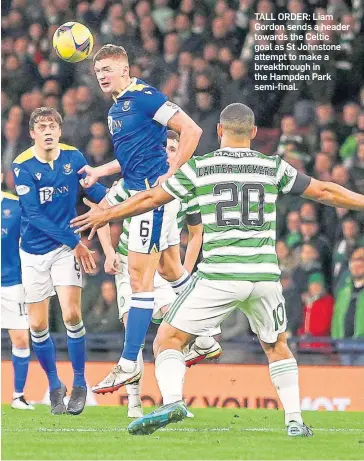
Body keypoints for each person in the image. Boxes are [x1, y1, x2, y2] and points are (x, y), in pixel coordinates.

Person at [72, 103, 364, 436]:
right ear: (254, 133)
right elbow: (324, 191)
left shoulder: (201, 167)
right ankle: (294, 420)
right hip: (264, 276)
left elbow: (151, 198)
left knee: (167, 339)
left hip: (219, 275)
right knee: (277, 345)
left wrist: (107, 215)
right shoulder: (272, 166)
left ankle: (172, 401)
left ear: (219, 131)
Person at [78, 44, 202, 389]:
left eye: (107, 69)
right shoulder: (117, 108)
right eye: (97, 70)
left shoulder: (145, 96)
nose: (101, 75)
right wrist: (98, 171)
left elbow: (192, 130)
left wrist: (173, 171)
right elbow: (131, 159)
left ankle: (129, 361)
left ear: (125, 69)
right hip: (135, 187)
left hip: (152, 196)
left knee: (138, 278)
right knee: (167, 268)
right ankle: (206, 335)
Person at [91, 130, 221, 418]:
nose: (170, 153)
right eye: (167, 148)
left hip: (160, 266)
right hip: (130, 263)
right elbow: (102, 214)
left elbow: (196, 235)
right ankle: (134, 405)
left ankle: (174, 396)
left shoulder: (184, 189)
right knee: (132, 327)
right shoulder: (139, 182)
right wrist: (110, 253)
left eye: (175, 148)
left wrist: (184, 273)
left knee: (169, 334)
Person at [11, 107, 106, 415]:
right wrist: (76, 242)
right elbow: (34, 215)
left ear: (60, 131)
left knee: (72, 314)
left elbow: (96, 190)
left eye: (52, 125)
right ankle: (55, 385)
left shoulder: (74, 158)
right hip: (35, 251)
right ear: (33, 134)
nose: (48, 130)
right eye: (42, 126)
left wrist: (124, 198)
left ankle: (79, 383)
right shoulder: (22, 165)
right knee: (37, 325)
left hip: (66, 250)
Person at [1, 187, 34, 410]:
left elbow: (30, 239)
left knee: (21, 339)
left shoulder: (16, 206)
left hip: (11, 282)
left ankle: (18, 396)